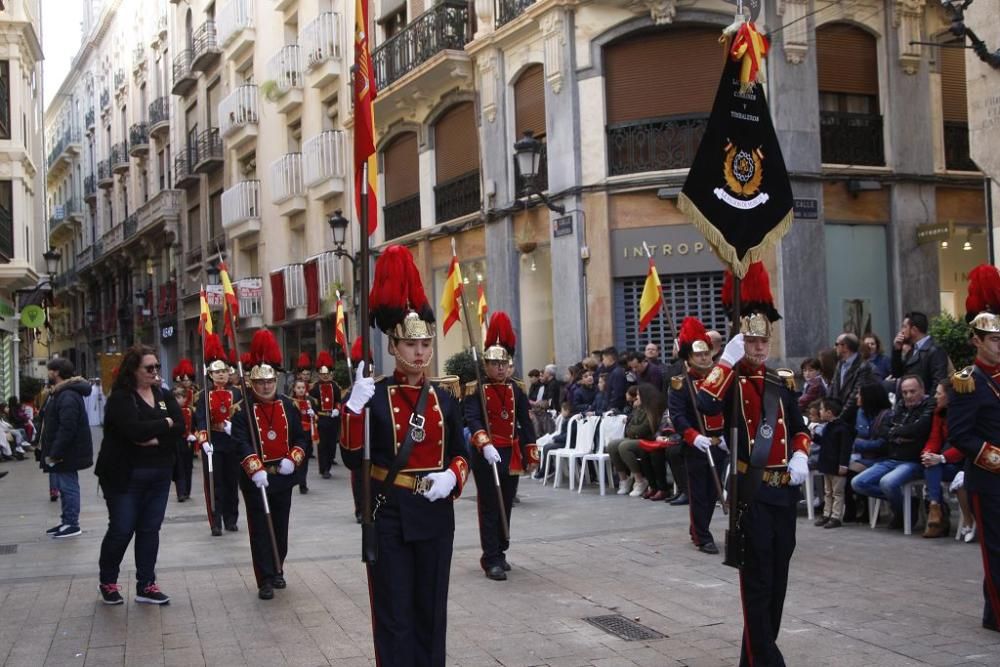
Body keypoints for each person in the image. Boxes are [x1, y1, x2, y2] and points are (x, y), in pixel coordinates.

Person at [340, 246, 470, 665]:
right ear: (394, 347)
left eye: (425, 343)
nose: (419, 351)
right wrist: (352, 409)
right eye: (410, 344)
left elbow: (460, 452)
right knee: (394, 613)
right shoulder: (374, 395)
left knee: (431, 608)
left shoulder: (444, 398)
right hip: (390, 512)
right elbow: (350, 454)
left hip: (434, 513)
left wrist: (453, 476)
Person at [696, 262, 810, 667]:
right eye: (751, 341)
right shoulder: (728, 382)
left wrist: (800, 453)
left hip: (784, 492)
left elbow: (800, 428)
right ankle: (766, 658)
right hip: (752, 492)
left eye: (764, 342)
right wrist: (725, 362)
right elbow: (705, 404)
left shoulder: (782, 381)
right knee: (757, 579)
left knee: (778, 579)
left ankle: (754, 656)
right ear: (740, 341)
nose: (759, 349)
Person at [95, 345, 183, 605]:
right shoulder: (121, 398)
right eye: (149, 367)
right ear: (133, 370)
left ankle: (147, 585)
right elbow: (134, 431)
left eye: (157, 366)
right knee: (122, 529)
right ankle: (108, 582)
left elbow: (179, 427)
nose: (155, 371)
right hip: (125, 475)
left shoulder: (164, 397)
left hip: (159, 473)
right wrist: (163, 426)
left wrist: (157, 434)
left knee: (149, 529)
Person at [232, 329, 309, 600]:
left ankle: (278, 568)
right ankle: (264, 577)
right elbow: (240, 443)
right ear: (253, 383)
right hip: (258, 479)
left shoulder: (289, 406)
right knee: (260, 528)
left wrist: (293, 459)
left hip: (283, 475)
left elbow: (302, 438)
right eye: (260, 382)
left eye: (270, 381)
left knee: (280, 525)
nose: (265, 386)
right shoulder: (242, 410)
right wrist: (255, 469)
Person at [464, 311, 538, 581]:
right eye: (494, 364)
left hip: (511, 452)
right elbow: (471, 419)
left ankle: (502, 550)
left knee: (506, 502)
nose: (499, 368)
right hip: (487, 453)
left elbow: (525, 421)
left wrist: (531, 451)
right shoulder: (475, 389)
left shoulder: (516, 388)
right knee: (489, 505)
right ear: (485, 365)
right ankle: (490, 557)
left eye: (503, 363)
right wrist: (484, 443)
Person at [947, 264, 1000, 632]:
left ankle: (990, 611)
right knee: (995, 552)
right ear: (977, 341)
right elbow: (960, 435)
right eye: (994, 339)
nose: (999, 344)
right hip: (988, 478)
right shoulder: (968, 383)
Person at [669, 317, 728, 554]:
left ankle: (700, 529)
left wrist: (726, 436)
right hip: (696, 446)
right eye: (699, 355)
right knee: (700, 493)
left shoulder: (721, 379)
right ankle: (702, 535)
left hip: (719, 444)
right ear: (689, 358)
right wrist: (694, 436)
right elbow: (677, 415)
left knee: (714, 490)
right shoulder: (680, 383)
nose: (704, 358)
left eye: (707, 354)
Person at [851, 375, 934, 530]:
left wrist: (896, 433)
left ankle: (902, 513)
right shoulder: (900, 406)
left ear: (922, 390)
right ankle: (907, 502)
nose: (908, 396)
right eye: (905, 392)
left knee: (887, 482)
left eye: (912, 391)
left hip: (913, 461)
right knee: (858, 483)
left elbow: (918, 429)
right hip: (892, 458)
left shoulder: (929, 406)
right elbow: (884, 430)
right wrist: (900, 434)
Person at [194, 333, 243, 536]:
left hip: (232, 442)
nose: (221, 375)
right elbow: (201, 419)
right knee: (215, 484)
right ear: (210, 375)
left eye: (224, 371)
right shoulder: (204, 395)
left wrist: (237, 431)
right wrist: (204, 440)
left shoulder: (238, 393)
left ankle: (232, 518)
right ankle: (216, 520)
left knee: (232, 482)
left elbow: (242, 417)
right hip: (214, 443)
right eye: (217, 372)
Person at [39, 358, 93, 538]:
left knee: (68, 486)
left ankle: (72, 523)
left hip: (66, 452)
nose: (48, 374)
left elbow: (67, 427)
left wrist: (56, 452)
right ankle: (66, 521)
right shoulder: (61, 392)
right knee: (64, 485)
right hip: (64, 450)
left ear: (56, 372)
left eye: (50, 371)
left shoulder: (67, 395)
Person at [920, 381, 968, 538]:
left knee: (934, 465)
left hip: (964, 463)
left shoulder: (966, 414)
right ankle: (936, 508)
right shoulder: (939, 412)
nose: (935, 396)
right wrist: (928, 454)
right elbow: (934, 439)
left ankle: (937, 515)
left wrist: (941, 457)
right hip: (945, 462)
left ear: (950, 396)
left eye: (939, 393)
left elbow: (965, 445)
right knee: (930, 465)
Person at [607, 384, 657, 496]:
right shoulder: (637, 409)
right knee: (612, 445)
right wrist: (633, 431)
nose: (636, 397)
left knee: (624, 446)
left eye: (639, 395)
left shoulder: (652, 409)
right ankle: (624, 480)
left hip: (647, 440)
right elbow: (629, 427)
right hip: (635, 438)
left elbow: (645, 428)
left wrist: (633, 431)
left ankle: (640, 481)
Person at [812, 398, 851, 529]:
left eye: (822, 409)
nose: (820, 412)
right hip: (827, 464)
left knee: (837, 492)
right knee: (827, 491)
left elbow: (845, 448)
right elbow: (825, 442)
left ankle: (836, 516)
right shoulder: (828, 426)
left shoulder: (842, 428)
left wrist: (843, 465)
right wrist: (814, 437)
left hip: (837, 466)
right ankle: (826, 513)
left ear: (829, 412)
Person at [891, 311, 950, 394]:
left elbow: (938, 384)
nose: (901, 331)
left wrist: (928, 405)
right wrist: (897, 350)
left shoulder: (934, 350)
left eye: (904, 327)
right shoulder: (913, 350)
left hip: (925, 404)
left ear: (914, 330)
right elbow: (897, 374)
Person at [310, 351, 342, 479]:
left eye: (326, 374)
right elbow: (310, 401)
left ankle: (328, 465)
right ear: (319, 374)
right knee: (322, 445)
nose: (324, 376)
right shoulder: (315, 387)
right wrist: (313, 411)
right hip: (321, 418)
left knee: (331, 444)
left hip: (332, 418)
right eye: (322, 374)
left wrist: (337, 409)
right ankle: (324, 469)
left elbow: (339, 401)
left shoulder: (335, 386)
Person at [288, 377, 319, 494]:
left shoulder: (310, 401)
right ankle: (296, 480)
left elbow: (316, 418)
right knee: (296, 459)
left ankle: (302, 483)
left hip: (307, 435)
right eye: (298, 388)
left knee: (305, 460)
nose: (301, 390)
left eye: (303, 388)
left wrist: (313, 415)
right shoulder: (290, 402)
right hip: (295, 434)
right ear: (294, 389)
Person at [170, 385, 196, 502]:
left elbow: (194, 425)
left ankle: (187, 490)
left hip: (188, 441)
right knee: (178, 467)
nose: (180, 400)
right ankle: (181, 492)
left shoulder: (190, 410)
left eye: (182, 397)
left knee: (188, 466)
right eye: (177, 397)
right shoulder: (171, 412)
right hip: (176, 441)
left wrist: (193, 434)